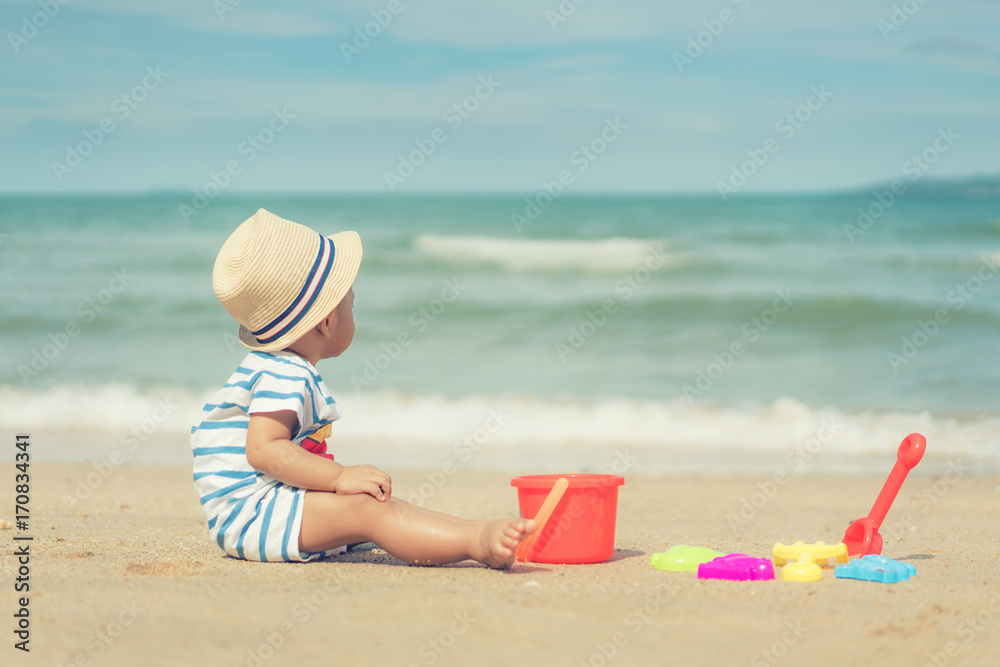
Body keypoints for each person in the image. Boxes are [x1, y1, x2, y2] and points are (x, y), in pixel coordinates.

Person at [191, 209, 535, 568]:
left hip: (262, 509)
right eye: (351, 305)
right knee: (365, 510)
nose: (354, 311)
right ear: (326, 322)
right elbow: (264, 450)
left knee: (375, 502)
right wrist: (339, 476)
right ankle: (473, 542)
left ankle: (474, 530)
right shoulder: (287, 373)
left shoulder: (272, 366)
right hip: (255, 517)